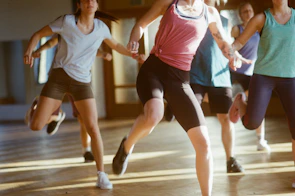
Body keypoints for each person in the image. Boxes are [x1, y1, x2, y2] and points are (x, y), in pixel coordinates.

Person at [112, 0, 244, 195]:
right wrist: (133, 40)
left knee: (204, 144)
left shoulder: (209, 13)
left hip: (180, 80)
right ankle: (127, 146)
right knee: (153, 116)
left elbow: (223, 42)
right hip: (154, 71)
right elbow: (141, 25)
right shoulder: (169, 4)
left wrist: (233, 55)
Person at [23, 0, 142, 189]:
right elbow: (39, 34)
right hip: (58, 78)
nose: (90, 2)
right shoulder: (67, 22)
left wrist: (134, 55)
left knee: (93, 128)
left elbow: (117, 45)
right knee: (36, 125)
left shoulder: (101, 28)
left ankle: (101, 175)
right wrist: (30, 49)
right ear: (79, 4)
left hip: (82, 83)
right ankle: (47, 109)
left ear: (97, 4)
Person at [228, 0, 295, 188]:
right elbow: (239, 42)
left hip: (291, 77)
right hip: (264, 76)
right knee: (251, 123)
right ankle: (241, 100)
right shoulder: (261, 18)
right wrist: (231, 54)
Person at [31, 35, 112, 162]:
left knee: (83, 119)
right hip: (57, 79)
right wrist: (38, 50)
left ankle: (86, 150)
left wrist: (102, 54)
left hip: (78, 80)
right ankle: (57, 117)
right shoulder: (64, 31)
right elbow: (51, 42)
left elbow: (91, 50)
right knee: (45, 119)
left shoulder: (85, 35)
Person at [231, 2, 271, 152]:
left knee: (257, 106)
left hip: (252, 74)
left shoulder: (260, 29)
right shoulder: (237, 29)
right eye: (244, 11)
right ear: (240, 15)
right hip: (236, 72)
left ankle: (261, 140)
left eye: (250, 11)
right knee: (232, 102)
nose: (248, 13)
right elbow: (229, 45)